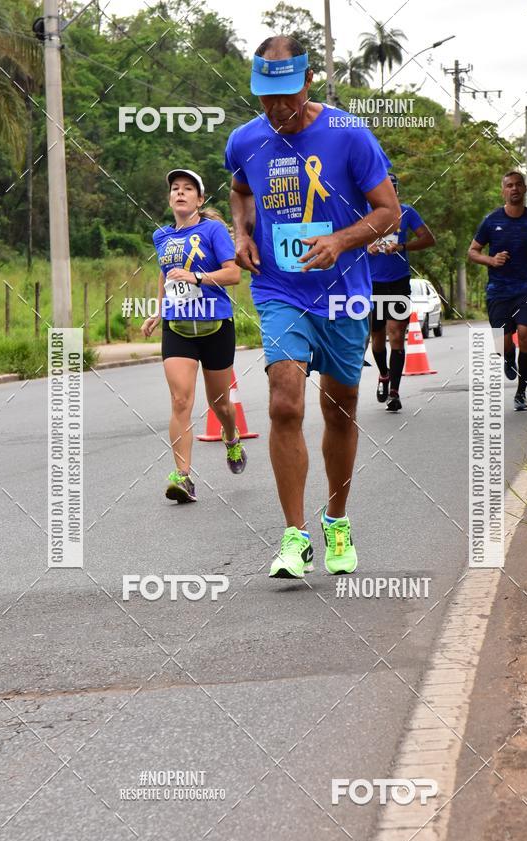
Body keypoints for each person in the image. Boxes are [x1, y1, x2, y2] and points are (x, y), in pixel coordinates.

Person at [224, 35, 400, 578]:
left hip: (343, 290)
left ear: (306, 83)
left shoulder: (349, 134)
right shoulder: (245, 140)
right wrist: (242, 231)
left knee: (339, 407)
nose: (275, 108)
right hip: (280, 288)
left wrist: (342, 241)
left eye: (285, 96)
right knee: (284, 402)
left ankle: (338, 522)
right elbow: (239, 189)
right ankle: (295, 535)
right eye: (265, 97)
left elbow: (389, 211)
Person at [141, 168, 246, 502]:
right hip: (178, 327)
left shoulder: (213, 230)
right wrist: (158, 311)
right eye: (175, 188)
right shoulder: (161, 237)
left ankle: (231, 438)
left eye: (188, 189)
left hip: (215, 325)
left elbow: (233, 275)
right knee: (180, 400)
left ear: (200, 200)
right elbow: (166, 276)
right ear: (170, 197)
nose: (180, 193)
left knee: (220, 404)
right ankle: (183, 476)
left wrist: (197, 277)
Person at [468, 171, 527, 411]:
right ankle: (508, 357)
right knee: (502, 343)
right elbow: (472, 251)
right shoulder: (491, 220)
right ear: (503, 191)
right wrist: (491, 260)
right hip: (497, 291)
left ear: (525, 189)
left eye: (519, 185)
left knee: (526, 333)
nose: (514, 189)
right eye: (509, 185)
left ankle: (521, 392)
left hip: (526, 289)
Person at [368, 173, 436, 412]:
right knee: (377, 337)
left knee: (396, 334)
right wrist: (366, 247)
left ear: (396, 191)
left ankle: (395, 392)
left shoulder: (407, 212)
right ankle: (384, 375)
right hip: (372, 283)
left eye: (392, 188)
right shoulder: (363, 214)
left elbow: (428, 239)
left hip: (398, 281)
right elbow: (346, 245)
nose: (389, 191)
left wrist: (403, 246)